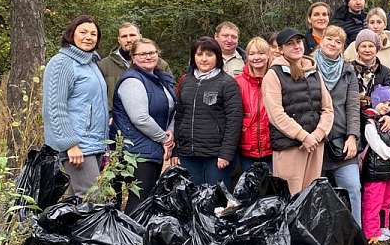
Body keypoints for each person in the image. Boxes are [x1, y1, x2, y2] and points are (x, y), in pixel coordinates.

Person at [42, 15, 109, 196]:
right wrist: (70, 144)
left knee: (73, 204)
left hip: (94, 143)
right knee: (92, 199)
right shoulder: (62, 63)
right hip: (78, 146)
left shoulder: (91, 63)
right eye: (83, 32)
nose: (89, 37)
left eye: (94, 34)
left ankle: (46, 226)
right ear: (72, 35)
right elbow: (55, 108)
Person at [263, 28, 335, 194]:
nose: (296, 46)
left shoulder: (313, 71)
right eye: (290, 44)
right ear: (280, 49)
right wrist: (303, 136)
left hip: (315, 145)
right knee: (290, 199)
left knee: (310, 200)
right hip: (290, 147)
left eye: (298, 42)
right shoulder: (273, 75)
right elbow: (276, 115)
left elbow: (328, 109)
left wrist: (317, 135)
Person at [111, 38, 176, 213]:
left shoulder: (160, 79)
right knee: (138, 203)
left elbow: (172, 109)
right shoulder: (132, 81)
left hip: (152, 148)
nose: (148, 56)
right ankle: (130, 238)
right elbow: (140, 118)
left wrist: (170, 131)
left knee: (146, 200)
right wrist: (165, 139)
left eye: (152, 52)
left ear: (158, 54)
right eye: (142, 53)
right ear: (133, 57)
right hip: (135, 152)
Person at [174, 37, 243, 187]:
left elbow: (234, 121)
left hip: (216, 157)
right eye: (199, 55)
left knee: (216, 203)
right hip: (188, 155)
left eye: (209, 55)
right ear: (193, 57)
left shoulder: (227, 83)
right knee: (191, 200)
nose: (204, 59)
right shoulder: (186, 82)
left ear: (217, 57)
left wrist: (226, 154)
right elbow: (179, 116)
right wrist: (175, 150)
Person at [313, 25, 363, 227]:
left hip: (341, 141)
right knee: (315, 192)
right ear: (321, 40)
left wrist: (352, 137)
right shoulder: (308, 66)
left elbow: (353, 107)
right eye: (329, 39)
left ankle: (356, 235)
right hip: (314, 142)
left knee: (352, 187)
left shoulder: (348, 71)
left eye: (338, 41)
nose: (333, 44)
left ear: (343, 47)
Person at [361, 85, 390, 242]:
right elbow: (377, 146)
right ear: (375, 100)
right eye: (384, 102)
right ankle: (371, 231)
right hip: (375, 171)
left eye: (389, 104)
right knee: (373, 201)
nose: (386, 107)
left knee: (387, 200)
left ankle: (383, 226)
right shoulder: (369, 123)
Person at [99, 21, 171, 111]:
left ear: (140, 36)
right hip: (117, 121)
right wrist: (109, 115)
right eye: (124, 36)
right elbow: (98, 97)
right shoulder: (104, 65)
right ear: (119, 40)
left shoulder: (159, 64)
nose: (129, 39)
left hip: (152, 120)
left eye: (132, 35)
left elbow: (170, 93)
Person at [235, 37, 273, 174]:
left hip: (272, 148)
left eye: (261, 53)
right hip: (246, 150)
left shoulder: (276, 79)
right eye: (252, 54)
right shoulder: (237, 82)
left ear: (268, 55)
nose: (256, 57)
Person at [349, 28, 390, 136]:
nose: (367, 50)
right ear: (357, 49)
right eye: (363, 46)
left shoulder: (384, 71)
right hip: (353, 121)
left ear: (377, 49)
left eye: (371, 46)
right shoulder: (348, 69)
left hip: (377, 122)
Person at [343, 7, 390, 73]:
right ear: (367, 25)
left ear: (385, 25)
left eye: (379, 22)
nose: (375, 26)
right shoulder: (353, 46)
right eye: (372, 22)